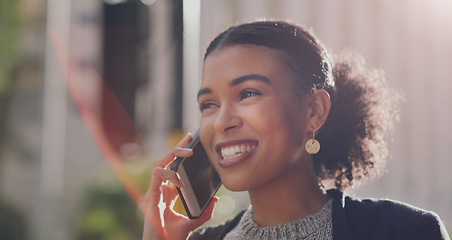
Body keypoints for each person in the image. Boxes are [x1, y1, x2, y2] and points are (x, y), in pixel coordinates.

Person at [142, 20, 450, 240]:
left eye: (248, 93)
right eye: (208, 104)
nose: (222, 121)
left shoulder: (406, 231)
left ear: (314, 111)